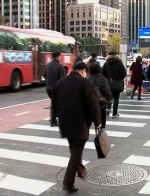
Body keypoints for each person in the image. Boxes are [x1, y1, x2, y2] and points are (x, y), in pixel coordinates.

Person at [52, 61, 101, 193]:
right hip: (80, 123)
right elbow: (93, 105)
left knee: (74, 148)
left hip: (64, 122)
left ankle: (79, 169)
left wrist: (54, 118)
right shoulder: (85, 83)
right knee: (75, 152)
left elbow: (54, 102)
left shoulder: (60, 83)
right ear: (84, 71)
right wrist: (98, 123)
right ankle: (68, 183)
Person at [102, 51, 127, 117]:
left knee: (109, 97)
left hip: (108, 83)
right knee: (116, 98)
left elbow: (102, 73)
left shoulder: (106, 63)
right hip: (117, 83)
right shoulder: (119, 63)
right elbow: (124, 73)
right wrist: (120, 78)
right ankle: (114, 113)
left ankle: (107, 110)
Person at [44, 51, 66, 127]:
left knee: (54, 103)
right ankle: (54, 120)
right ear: (58, 56)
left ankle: (53, 119)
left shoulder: (48, 65)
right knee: (57, 104)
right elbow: (62, 79)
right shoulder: (60, 66)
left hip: (48, 87)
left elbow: (44, 76)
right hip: (56, 88)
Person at [88, 62, 113, 129]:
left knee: (88, 122)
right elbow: (106, 90)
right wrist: (110, 98)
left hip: (89, 103)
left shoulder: (87, 78)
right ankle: (100, 136)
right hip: (100, 103)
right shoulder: (102, 79)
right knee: (101, 122)